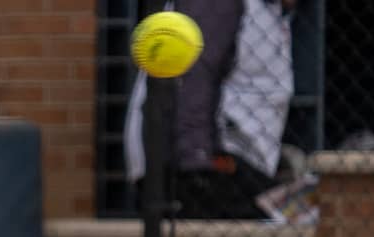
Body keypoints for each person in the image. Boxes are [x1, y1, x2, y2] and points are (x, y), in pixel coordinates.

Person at [124, 0, 298, 219]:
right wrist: (198, 170)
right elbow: (190, 83)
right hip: (203, 165)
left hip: (228, 163)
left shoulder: (271, 12)